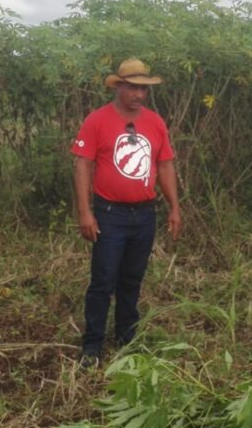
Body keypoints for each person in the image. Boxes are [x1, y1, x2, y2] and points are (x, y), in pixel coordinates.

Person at [71, 58, 182, 365]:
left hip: (144, 214)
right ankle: (92, 346)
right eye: (133, 87)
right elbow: (83, 165)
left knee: (132, 279)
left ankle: (126, 338)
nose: (139, 94)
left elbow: (164, 164)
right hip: (110, 214)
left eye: (143, 89)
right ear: (119, 86)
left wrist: (174, 206)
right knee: (103, 280)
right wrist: (85, 212)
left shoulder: (155, 122)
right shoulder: (97, 120)